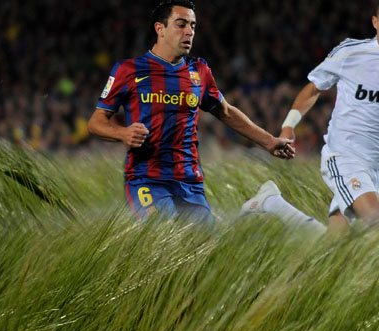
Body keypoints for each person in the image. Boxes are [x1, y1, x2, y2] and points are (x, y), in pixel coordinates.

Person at [240, 0, 379, 233]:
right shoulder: (350, 52)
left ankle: (270, 201)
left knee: (336, 247)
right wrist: (289, 125)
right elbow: (313, 89)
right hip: (343, 155)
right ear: (375, 23)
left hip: (377, 165)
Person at [88, 0, 294, 223]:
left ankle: (259, 206)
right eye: (181, 24)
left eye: (193, 26)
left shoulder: (199, 70)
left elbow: (225, 112)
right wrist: (123, 133)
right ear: (160, 29)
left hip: (189, 181)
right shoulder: (128, 70)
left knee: (211, 251)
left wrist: (269, 141)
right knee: (164, 238)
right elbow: (96, 123)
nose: (189, 32)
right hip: (147, 178)